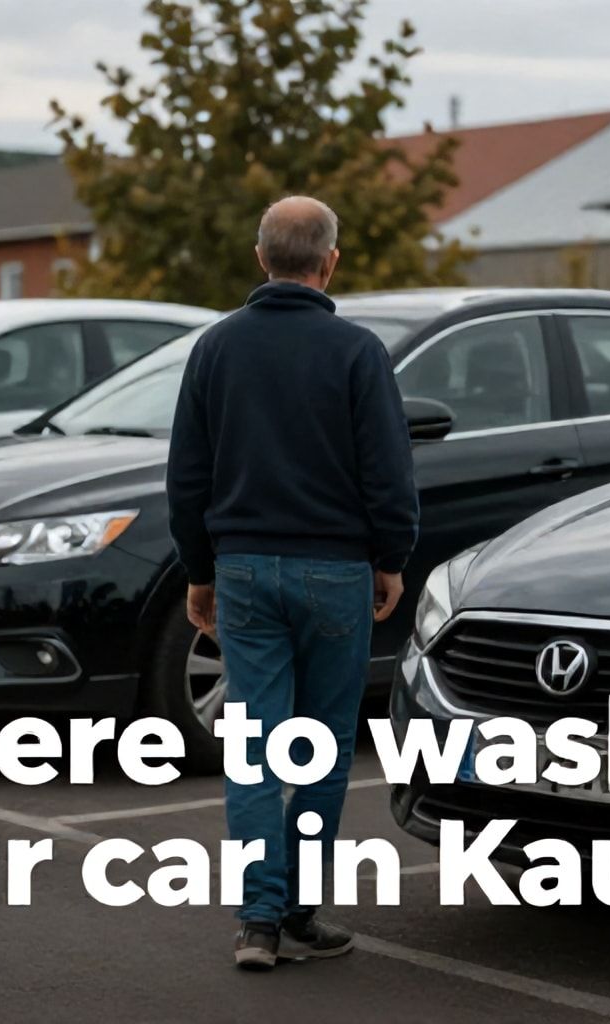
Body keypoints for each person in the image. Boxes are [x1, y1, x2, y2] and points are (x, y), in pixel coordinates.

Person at [166, 195, 418, 970]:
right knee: (321, 748)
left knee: (254, 750)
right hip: (335, 570)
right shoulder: (358, 351)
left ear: (260, 257)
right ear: (330, 261)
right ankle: (300, 911)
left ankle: (258, 923)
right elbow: (388, 469)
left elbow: (188, 475)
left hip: (243, 568)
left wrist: (199, 570)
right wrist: (391, 556)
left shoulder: (215, 347)